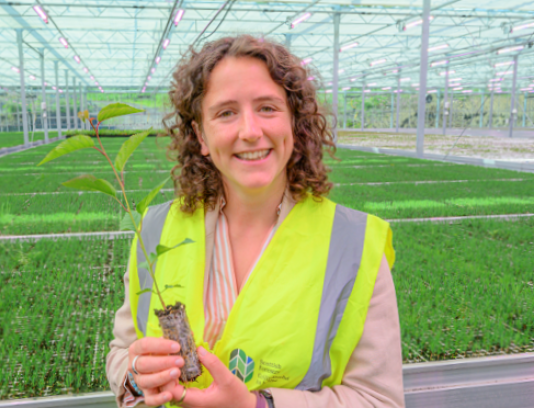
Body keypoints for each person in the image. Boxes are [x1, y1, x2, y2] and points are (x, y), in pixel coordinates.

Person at [106, 35, 404, 408]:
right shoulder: (155, 230)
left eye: (267, 108)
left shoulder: (353, 245)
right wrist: (135, 377)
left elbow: (378, 399)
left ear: (294, 123)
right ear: (200, 134)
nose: (249, 131)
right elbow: (122, 352)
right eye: (226, 112)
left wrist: (256, 405)